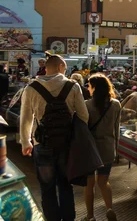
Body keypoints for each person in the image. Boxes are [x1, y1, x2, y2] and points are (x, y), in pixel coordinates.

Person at [20, 53, 89, 221]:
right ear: (60, 67)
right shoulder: (73, 86)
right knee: (65, 185)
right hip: (66, 144)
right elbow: (84, 116)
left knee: (47, 188)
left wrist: (25, 142)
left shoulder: (31, 88)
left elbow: (26, 118)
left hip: (42, 144)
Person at [83, 74, 121, 221]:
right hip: (107, 148)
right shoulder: (116, 104)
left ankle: (90, 216)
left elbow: (83, 129)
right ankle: (110, 209)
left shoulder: (86, 105)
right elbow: (116, 129)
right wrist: (116, 150)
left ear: (94, 87)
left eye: (89, 85)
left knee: (89, 184)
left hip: (90, 150)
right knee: (103, 182)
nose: (88, 88)